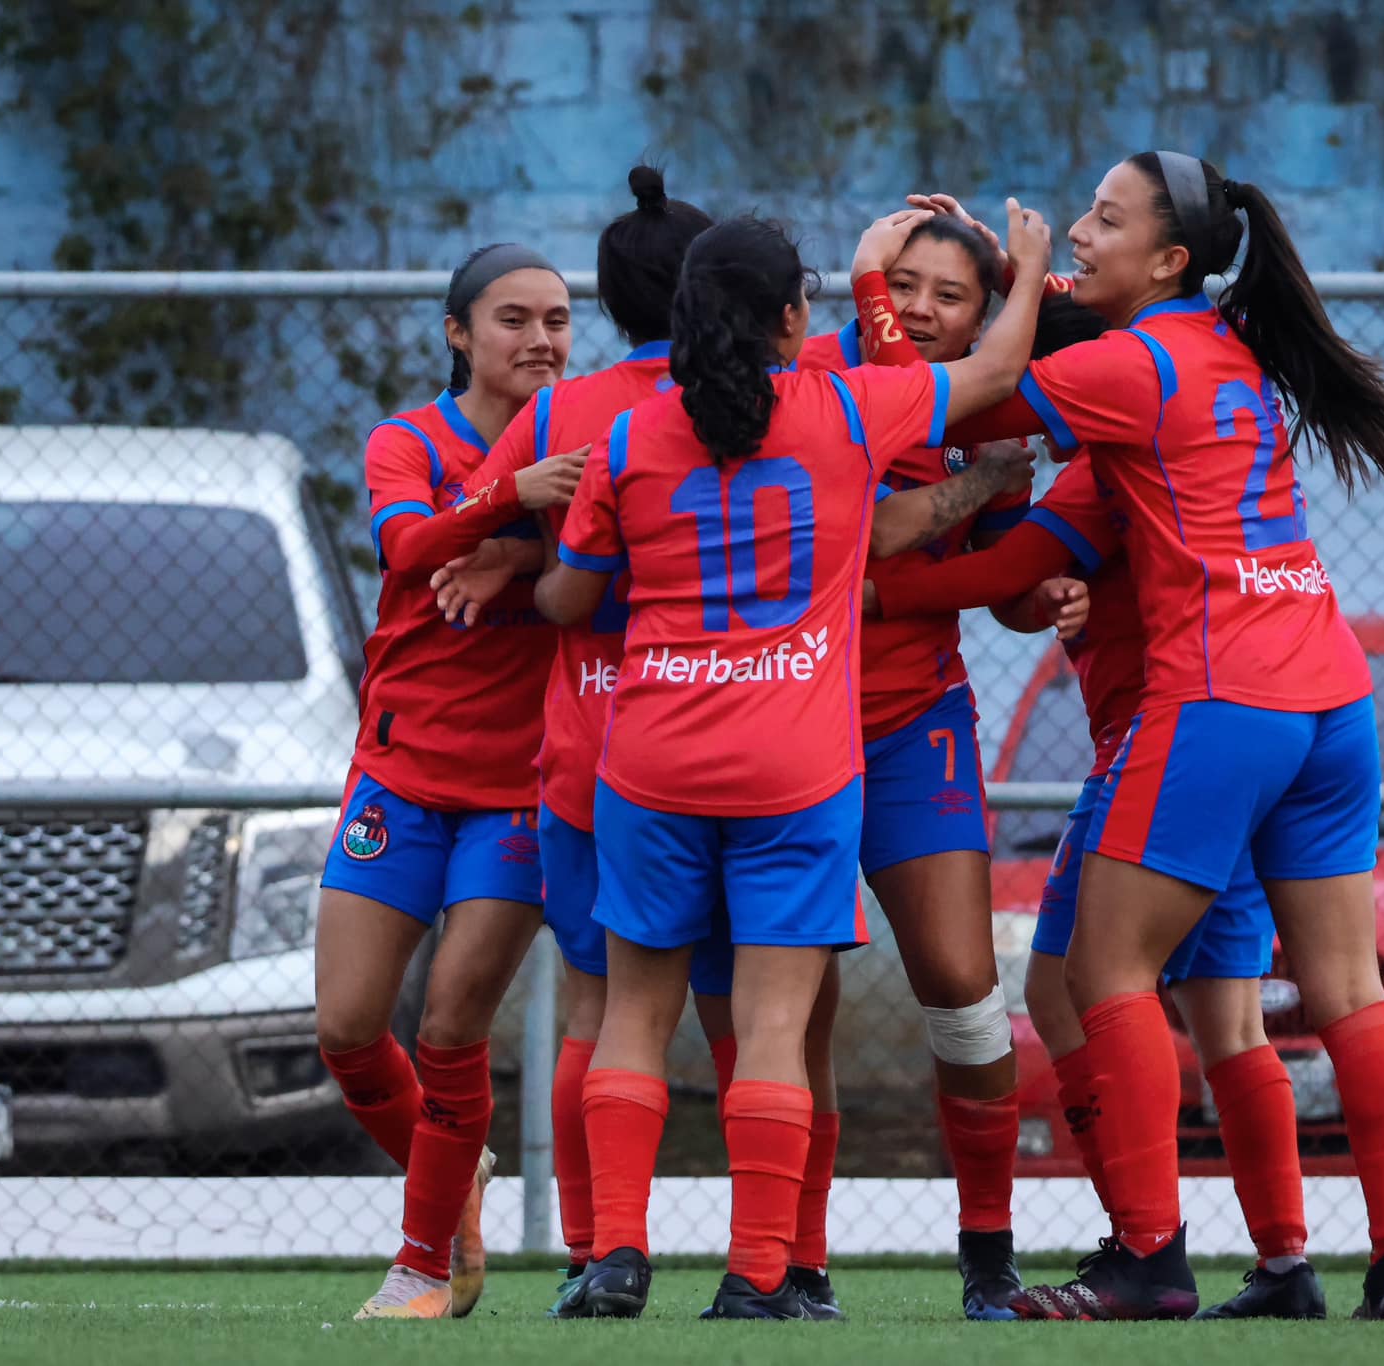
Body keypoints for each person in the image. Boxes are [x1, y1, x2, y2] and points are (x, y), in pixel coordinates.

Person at [427, 179, 1035, 1321]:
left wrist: (517, 566)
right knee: (769, 1025)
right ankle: (761, 1274)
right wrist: (1030, 259)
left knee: (628, 1016)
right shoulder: (844, 411)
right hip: (791, 764)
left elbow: (575, 589)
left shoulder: (621, 437)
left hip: (647, 760)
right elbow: (993, 377)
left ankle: (610, 1260)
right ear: (795, 322)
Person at [943, 153, 1384, 1322]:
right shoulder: (1223, 347)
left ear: (1169, 259)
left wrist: (948, 285)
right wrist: (1029, 280)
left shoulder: (1132, 364)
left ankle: (1149, 1260)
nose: (1074, 231)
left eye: (1102, 221)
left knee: (1098, 975)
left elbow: (968, 390)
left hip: (1220, 701)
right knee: (1345, 990)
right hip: (1327, 692)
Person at [868, 301, 1324, 1321]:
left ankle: (1146, 1249)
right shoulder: (1148, 454)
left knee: (1091, 987)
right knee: (1207, 1009)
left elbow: (1004, 565)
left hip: (1167, 750)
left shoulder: (1098, 472)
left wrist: (873, 591)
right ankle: (1277, 1260)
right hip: (1222, 739)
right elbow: (1023, 584)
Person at [313, 244, 573, 1320]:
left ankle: (423, 1264)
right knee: (345, 1026)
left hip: (519, 786)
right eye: (513, 319)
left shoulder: (591, 442)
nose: (541, 340)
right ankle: (452, 1169)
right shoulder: (407, 440)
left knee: (455, 1024)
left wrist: (519, 554)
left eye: (558, 320)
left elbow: (607, 572)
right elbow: (409, 544)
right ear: (460, 333)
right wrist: (505, 501)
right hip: (399, 776)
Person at [804, 209, 1049, 1318]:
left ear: (980, 319)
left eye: (947, 294)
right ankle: (791, 1261)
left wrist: (1043, 589)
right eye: (898, 282)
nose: (914, 307)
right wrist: (972, 484)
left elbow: (999, 592)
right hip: (787, 728)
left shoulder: (993, 412)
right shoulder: (808, 376)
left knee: (962, 987)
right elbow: (867, 531)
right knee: (790, 1005)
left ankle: (988, 1253)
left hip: (914, 722)